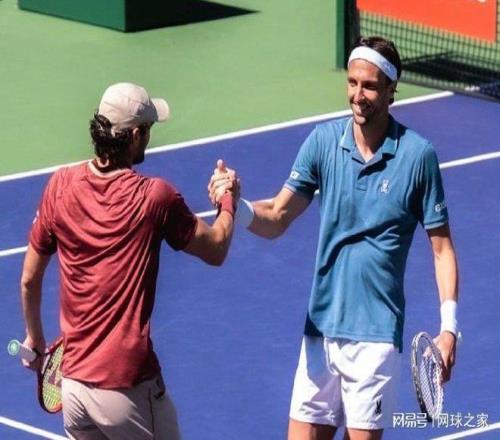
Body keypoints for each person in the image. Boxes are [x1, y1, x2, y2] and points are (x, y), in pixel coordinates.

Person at [209, 37, 459, 440]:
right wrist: (236, 206)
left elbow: (442, 249)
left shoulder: (418, 156)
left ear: (392, 90)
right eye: (352, 83)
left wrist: (449, 328)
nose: (358, 95)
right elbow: (277, 215)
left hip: (375, 339)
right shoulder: (323, 142)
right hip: (320, 331)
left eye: (370, 86)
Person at [20, 82, 239, 440]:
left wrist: (35, 338)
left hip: (73, 389)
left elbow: (29, 279)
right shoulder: (154, 197)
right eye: (148, 130)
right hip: (127, 391)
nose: (150, 137)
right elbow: (216, 248)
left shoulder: (59, 185)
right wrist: (227, 200)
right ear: (135, 136)